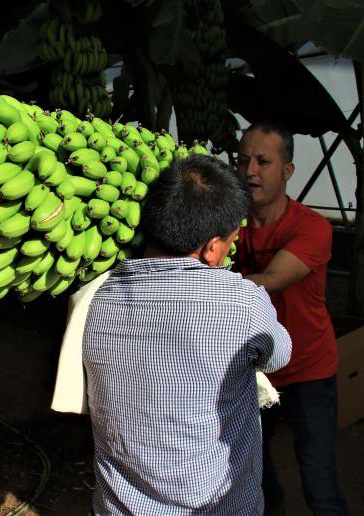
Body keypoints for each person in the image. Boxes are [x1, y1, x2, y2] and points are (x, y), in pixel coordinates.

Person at [82, 155, 292, 515]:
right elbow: (279, 354)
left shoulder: (98, 297)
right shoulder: (241, 302)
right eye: (230, 241)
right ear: (212, 247)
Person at [235, 122, 349, 514]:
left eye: (263, 161)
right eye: (243, 159)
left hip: (307, 370)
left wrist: (199, 285)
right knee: (258, 477)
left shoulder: (312, 228)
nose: (250, 170)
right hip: (253, 371)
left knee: (319, 480)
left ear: (287, 171)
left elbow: (269, 282)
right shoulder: (228, 225)